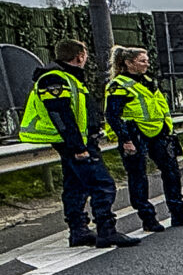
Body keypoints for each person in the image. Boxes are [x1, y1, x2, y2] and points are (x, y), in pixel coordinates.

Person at [19, 36, 133, 249]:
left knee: (76, 185)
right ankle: (106, 231)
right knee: (102, 184)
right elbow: (61, 115)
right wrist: (78, 147)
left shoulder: (69, 78)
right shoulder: (54, 79)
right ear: (80, 56)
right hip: (74, 143)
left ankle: (79, 231)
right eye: (85, 55)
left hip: (77, 141)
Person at [105, 46, 183, 233]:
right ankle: (148, 218)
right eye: (142, 60)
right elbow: (112, 116)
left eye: (147, 60)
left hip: (159, 132)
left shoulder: (149, 82)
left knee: (172, 172)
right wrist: (125, 139)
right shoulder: (119, 86)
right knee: (138, 177)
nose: (147, 63)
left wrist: (168, 130)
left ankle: (178, 213)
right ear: (129, 63)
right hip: (134, 134)